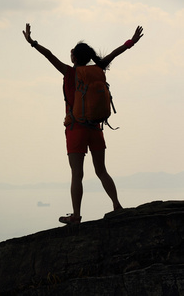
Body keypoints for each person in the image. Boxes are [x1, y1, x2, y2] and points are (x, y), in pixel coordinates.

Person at [22, 23, 144, 225]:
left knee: (77, 174)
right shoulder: (98, 69)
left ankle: (76, 216)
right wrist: (131, 42)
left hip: (75, 128)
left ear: (75, 57)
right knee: (101, 170)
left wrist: (32, 42)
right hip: (95, 128)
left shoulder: (70, 73)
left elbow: (49, 55)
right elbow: (115, 53)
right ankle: (116, 205)